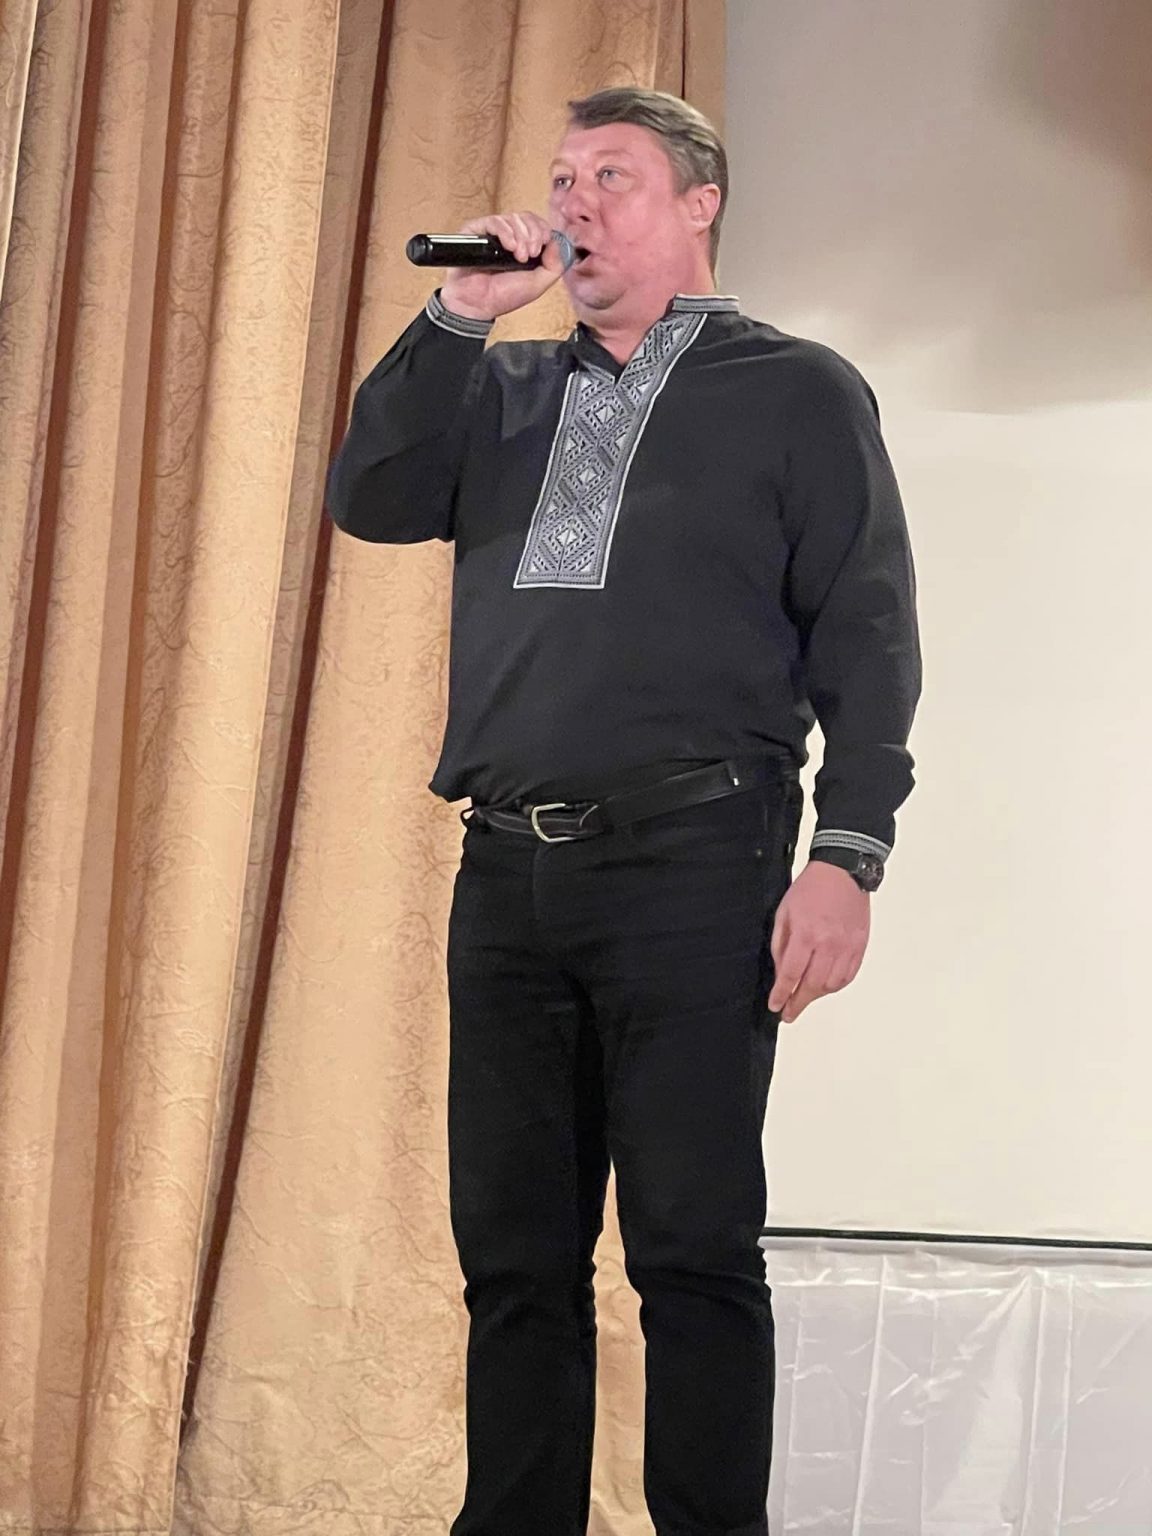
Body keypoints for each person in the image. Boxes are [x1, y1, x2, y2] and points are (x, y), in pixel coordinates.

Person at [326, 85, 921, 1536]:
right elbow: (373, 497)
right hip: (507, 872)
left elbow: (867, 633)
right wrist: (462, 315)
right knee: (514, 1257)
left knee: (691, 1249)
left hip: (698, 859)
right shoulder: (503, 388)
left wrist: (847, 854)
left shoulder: (796, 390)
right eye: (561, 178)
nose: (575, 202)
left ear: (699, 204)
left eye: (613, 176)